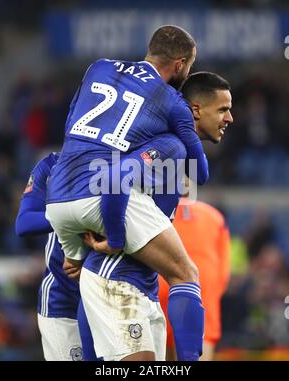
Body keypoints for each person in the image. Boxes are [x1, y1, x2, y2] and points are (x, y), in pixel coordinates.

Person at [46, 25, 208, 361]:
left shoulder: (98, 67)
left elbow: (72, 128)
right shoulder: (170, 101)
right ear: (179, 65)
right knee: (185, 273)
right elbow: (200, 171)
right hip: (102, 191)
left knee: (84, 274)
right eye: (189, 67)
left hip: (60, 195)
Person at [75, 71, 233, 361]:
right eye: (223, 109)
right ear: (196, 109)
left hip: (134, 284)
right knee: (187, 274)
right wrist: (115, 237)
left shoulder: (173, 147)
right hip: (116, 280)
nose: (230, 118)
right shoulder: (168, 144)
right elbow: (113, 179)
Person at [15, 152, 98, 361]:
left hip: (108, 295)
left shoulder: (122, 163)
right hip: (63, 298)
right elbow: (24, 223)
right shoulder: (51, 164)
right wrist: (74, 215)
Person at [159, 200, 231, 361]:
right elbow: (223, 274)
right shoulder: (215, 217)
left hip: (160, 291)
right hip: (200, 297)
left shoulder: (155, 208)